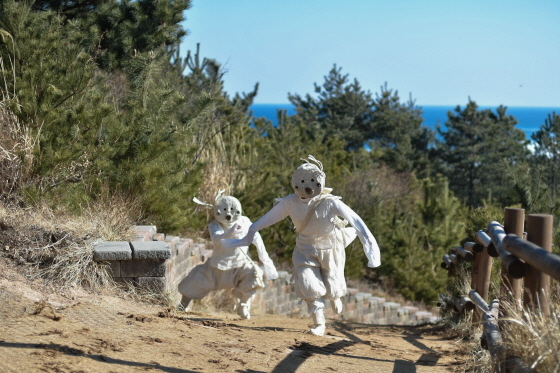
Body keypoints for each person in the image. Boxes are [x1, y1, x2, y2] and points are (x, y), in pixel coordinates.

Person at [222, 155, 380, 336]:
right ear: (295, 182)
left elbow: (357, 222)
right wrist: (249, 233)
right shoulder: (289, 202)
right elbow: (265, 220)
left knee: (333, 284)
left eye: (312, 181)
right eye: (303, 181)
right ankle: (319, 324)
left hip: (331, 249)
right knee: (307, 283)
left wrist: (372, 252)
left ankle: (335, 296)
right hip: (304, 249)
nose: (307, 185)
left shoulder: (331, 202)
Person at [178, 192, 278, 319]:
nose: (229, 214)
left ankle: (244, 305)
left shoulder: (245, 221)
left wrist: (264, 259)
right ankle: (183, 304)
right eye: (225, 210)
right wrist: (232, 231)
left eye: (231, 210)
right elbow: (217, 239)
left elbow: (256, 238)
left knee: (254, 275)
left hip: (240, 265)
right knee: (197, 280)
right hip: (217, 266)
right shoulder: (214, 225)